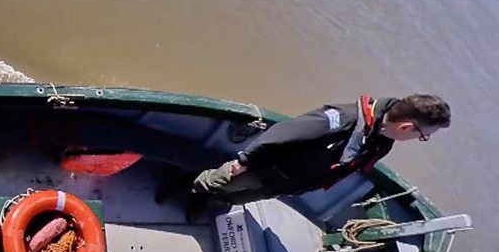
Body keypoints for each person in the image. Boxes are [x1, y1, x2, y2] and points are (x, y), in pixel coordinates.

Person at [190, 94, 451, 215]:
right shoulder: (344, 119)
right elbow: (285, 133)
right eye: (422, 136)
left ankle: (207, 206)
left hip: (289, 183)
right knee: (215, 182)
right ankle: (184, 192)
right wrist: (245, 161)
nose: (418, 141)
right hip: (264, 169)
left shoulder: (382, 141)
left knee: (236, 198)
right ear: (407, 126)